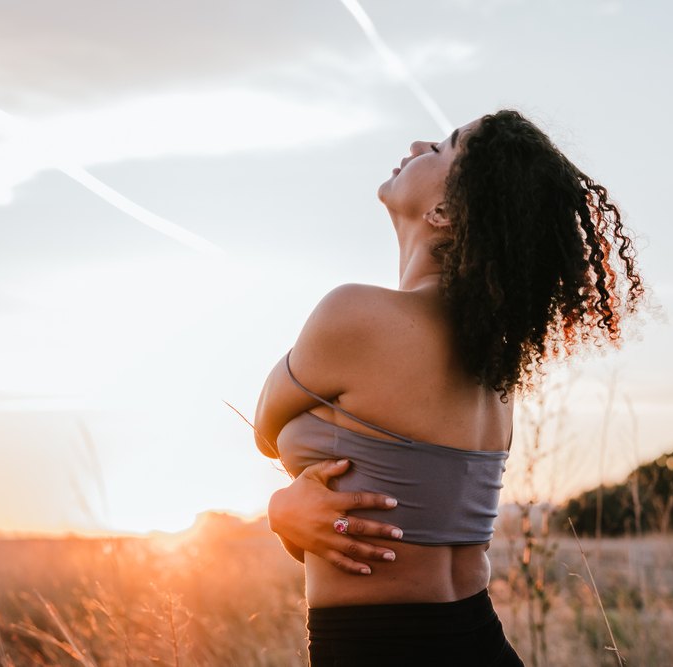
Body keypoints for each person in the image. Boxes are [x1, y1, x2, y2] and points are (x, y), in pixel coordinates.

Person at [253, 109, 644, 666]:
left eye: (440, 147)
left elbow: (265, 429)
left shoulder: (356, 315)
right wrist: (296, 518)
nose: (416, 143)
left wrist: (282, 508)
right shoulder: (496, 366)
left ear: (444, 211)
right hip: (478, 643)